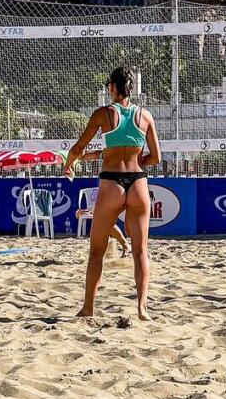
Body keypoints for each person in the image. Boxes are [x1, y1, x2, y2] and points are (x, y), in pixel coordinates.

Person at [63, 65, 160, 319]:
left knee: (97, 250)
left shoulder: (103, 114)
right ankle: (141, 307)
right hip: (138, 183)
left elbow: (78, 147)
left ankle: (88, 308)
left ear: (112, 88)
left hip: (111, 183)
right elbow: (156, 157)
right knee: (140, 251)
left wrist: (68, 164)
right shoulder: (145, 116)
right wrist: (139, 162)